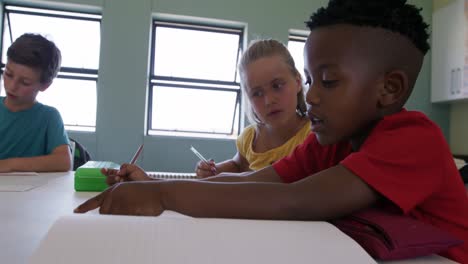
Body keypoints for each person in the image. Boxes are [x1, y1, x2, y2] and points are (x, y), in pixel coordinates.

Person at [75, 0, 468, 262]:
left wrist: (163, 193)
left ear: (390, 89)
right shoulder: (330, 143)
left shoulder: (413, 138)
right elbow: (259, 180)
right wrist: (151, 189)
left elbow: (297, 201)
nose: (311, 97)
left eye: (327, 81)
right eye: (311, 79)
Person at [195, 39, 310, 177]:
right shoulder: (250, 138)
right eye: (257, 93)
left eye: (277, 86)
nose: (269, 101)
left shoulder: (313, 135)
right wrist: (214, 170)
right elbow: (238, 165)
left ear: (297, 82)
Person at [0, 33, 71, 172]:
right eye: (8, 74)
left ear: (45, 85)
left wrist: (8, 165)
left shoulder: (49, 117)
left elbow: (63, 161)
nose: (12, 86)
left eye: (25, 82)